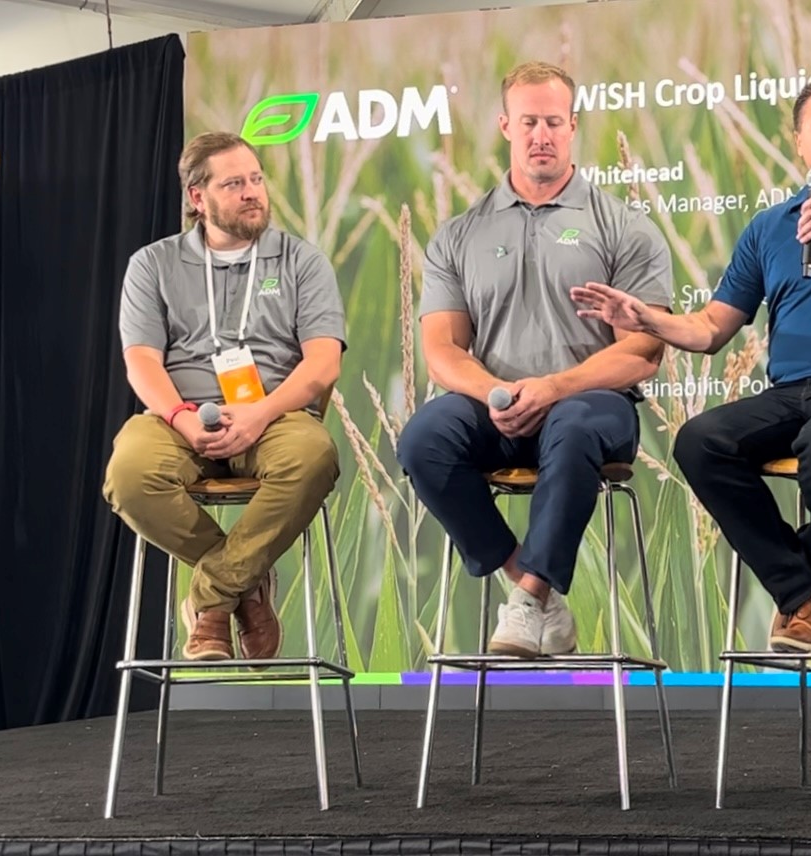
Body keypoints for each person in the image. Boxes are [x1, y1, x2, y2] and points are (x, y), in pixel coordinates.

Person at [572, 76, 811, 653]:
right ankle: (807, 592)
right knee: (701, 441)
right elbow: (711, 330)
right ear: (800, 144)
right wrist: (648, 318)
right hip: (795, 394)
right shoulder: (770, 229)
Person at [396, 61, 672, 658]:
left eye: (553, 121)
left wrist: (553, 387)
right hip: (493, 406)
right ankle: (534, 591)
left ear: (573, 127)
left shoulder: (625, 228)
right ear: (505, 126)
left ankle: (526, 602)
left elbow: (644, 351)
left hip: (593, 408)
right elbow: (442, 349)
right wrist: (498, 392)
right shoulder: (459, 233)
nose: (540, 134)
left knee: (572, 425)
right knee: (423, 439)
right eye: (528, 122)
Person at [103, 131, 346, 662]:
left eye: (256, 179)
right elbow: (141, 360)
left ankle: (212, 599)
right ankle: (247, 591)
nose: (252, 192)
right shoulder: (153, 264)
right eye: (234, 183)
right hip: (179, 416)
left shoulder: (301, 261)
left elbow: (324, 361)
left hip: (274, 414)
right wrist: (182, 419)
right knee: (128, 473)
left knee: (313, 458)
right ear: (198, 197)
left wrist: (261, 413)